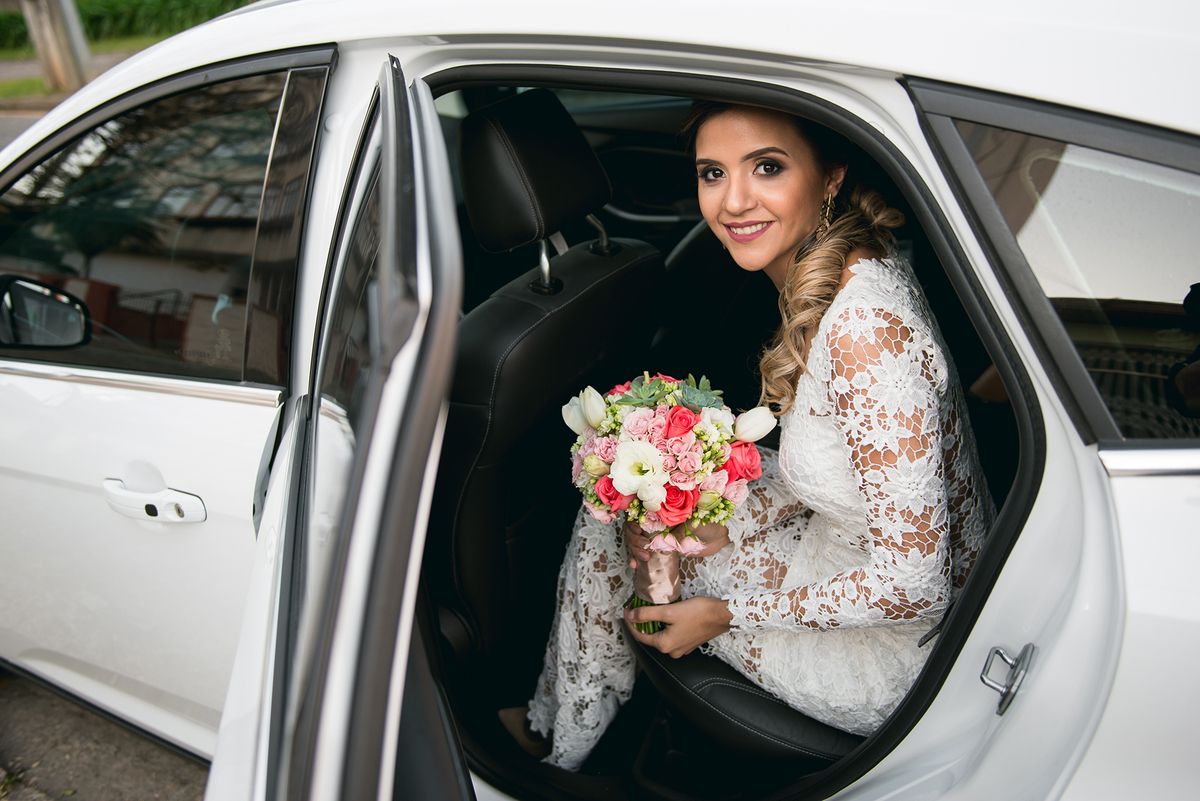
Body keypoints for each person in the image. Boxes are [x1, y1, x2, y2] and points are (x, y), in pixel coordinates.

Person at [506, 102, 995, 771]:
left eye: (767, 167)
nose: (733, 201)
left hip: (895, 649)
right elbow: (855, 470)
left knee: (626, 512)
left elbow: (917, 584)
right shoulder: (849, 261)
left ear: (830, 176)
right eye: (713, 172)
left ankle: (560, 747)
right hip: (851, 547)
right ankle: (565, 718)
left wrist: (724, 612)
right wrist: (712, 503)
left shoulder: (862, 330)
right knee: (633, 491)